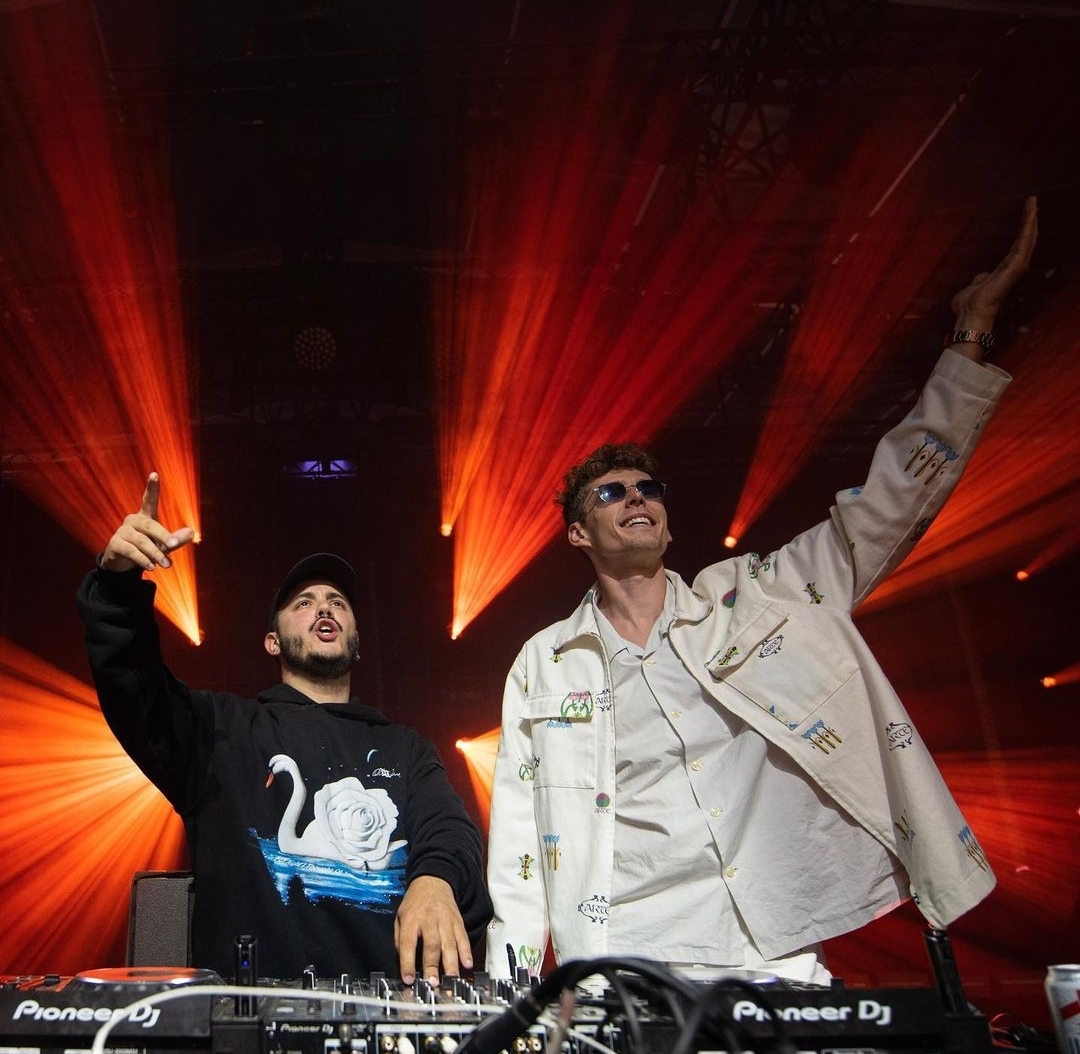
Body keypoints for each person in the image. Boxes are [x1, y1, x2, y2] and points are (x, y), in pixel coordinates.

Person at [485, 197, 1038, 983]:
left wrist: (970, 338)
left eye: (649, 487)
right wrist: (511, 1001)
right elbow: (517, 837)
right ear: (578, 534)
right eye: (611, 493)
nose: (637, 497)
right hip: (628, 958)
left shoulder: (758, 595)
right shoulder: (545, 664)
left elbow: (889, 504)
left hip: (770, 944)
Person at [78, 492, 492, 984]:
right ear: (272, 641)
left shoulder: (406, 749)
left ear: (356, 641)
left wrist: (436, 878)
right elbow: (132, 684)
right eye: (304, 602)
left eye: (338, 602)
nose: (325, 607)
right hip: (250, 1012)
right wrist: (117, 587)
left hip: (384, 1006)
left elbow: (451, 829)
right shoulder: (219, 729)